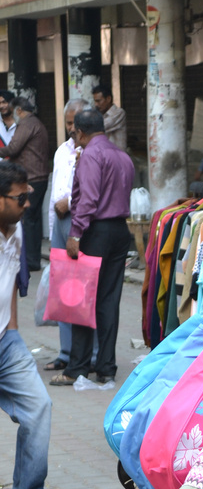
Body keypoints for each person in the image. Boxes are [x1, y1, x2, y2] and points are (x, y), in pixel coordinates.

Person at [0, 161, 70, 489]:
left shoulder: (17, 230)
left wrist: (12, 328)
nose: (28, 204)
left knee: (38, 406)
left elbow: (11, 279)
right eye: (20, 198)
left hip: (5, 341)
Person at [48, 109, 134, 388]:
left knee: (80, 299)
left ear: (81, 132)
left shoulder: (90, 156)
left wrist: (75, 233)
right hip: (120, 230)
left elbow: (88, 199)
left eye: (75, 133)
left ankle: (77, 367)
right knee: (108, 301)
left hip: (96, 231)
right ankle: (106, 367)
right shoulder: (122, 156)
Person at [43, 99, 90, 373]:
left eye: (75, 123)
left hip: (78, 222)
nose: (71, 128)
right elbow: (55, 192)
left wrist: (69, 206)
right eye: (68, 122)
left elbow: (92, 193)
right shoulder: (62, 150)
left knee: (83, 289)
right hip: (59, 224)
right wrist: (52, 231)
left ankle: (88, 354)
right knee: (62, 290)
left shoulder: (90, 152)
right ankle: (65, 351)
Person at [0, 98, 49, 271]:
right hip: (39, 176)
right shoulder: (37, 123)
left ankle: (30, 260)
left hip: (32, 178)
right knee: (33, 221)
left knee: (28, 220)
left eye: (14, 112)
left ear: (19, 110)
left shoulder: (26, 124)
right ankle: (33, 259)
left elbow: (13, 148)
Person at [91, 84, 127, 152]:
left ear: (108, 99)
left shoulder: (119, 113)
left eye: (98, 101)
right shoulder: (99, 114)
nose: (96, 104)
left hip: (117, 158)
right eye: (95, 101)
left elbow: (98, 127)